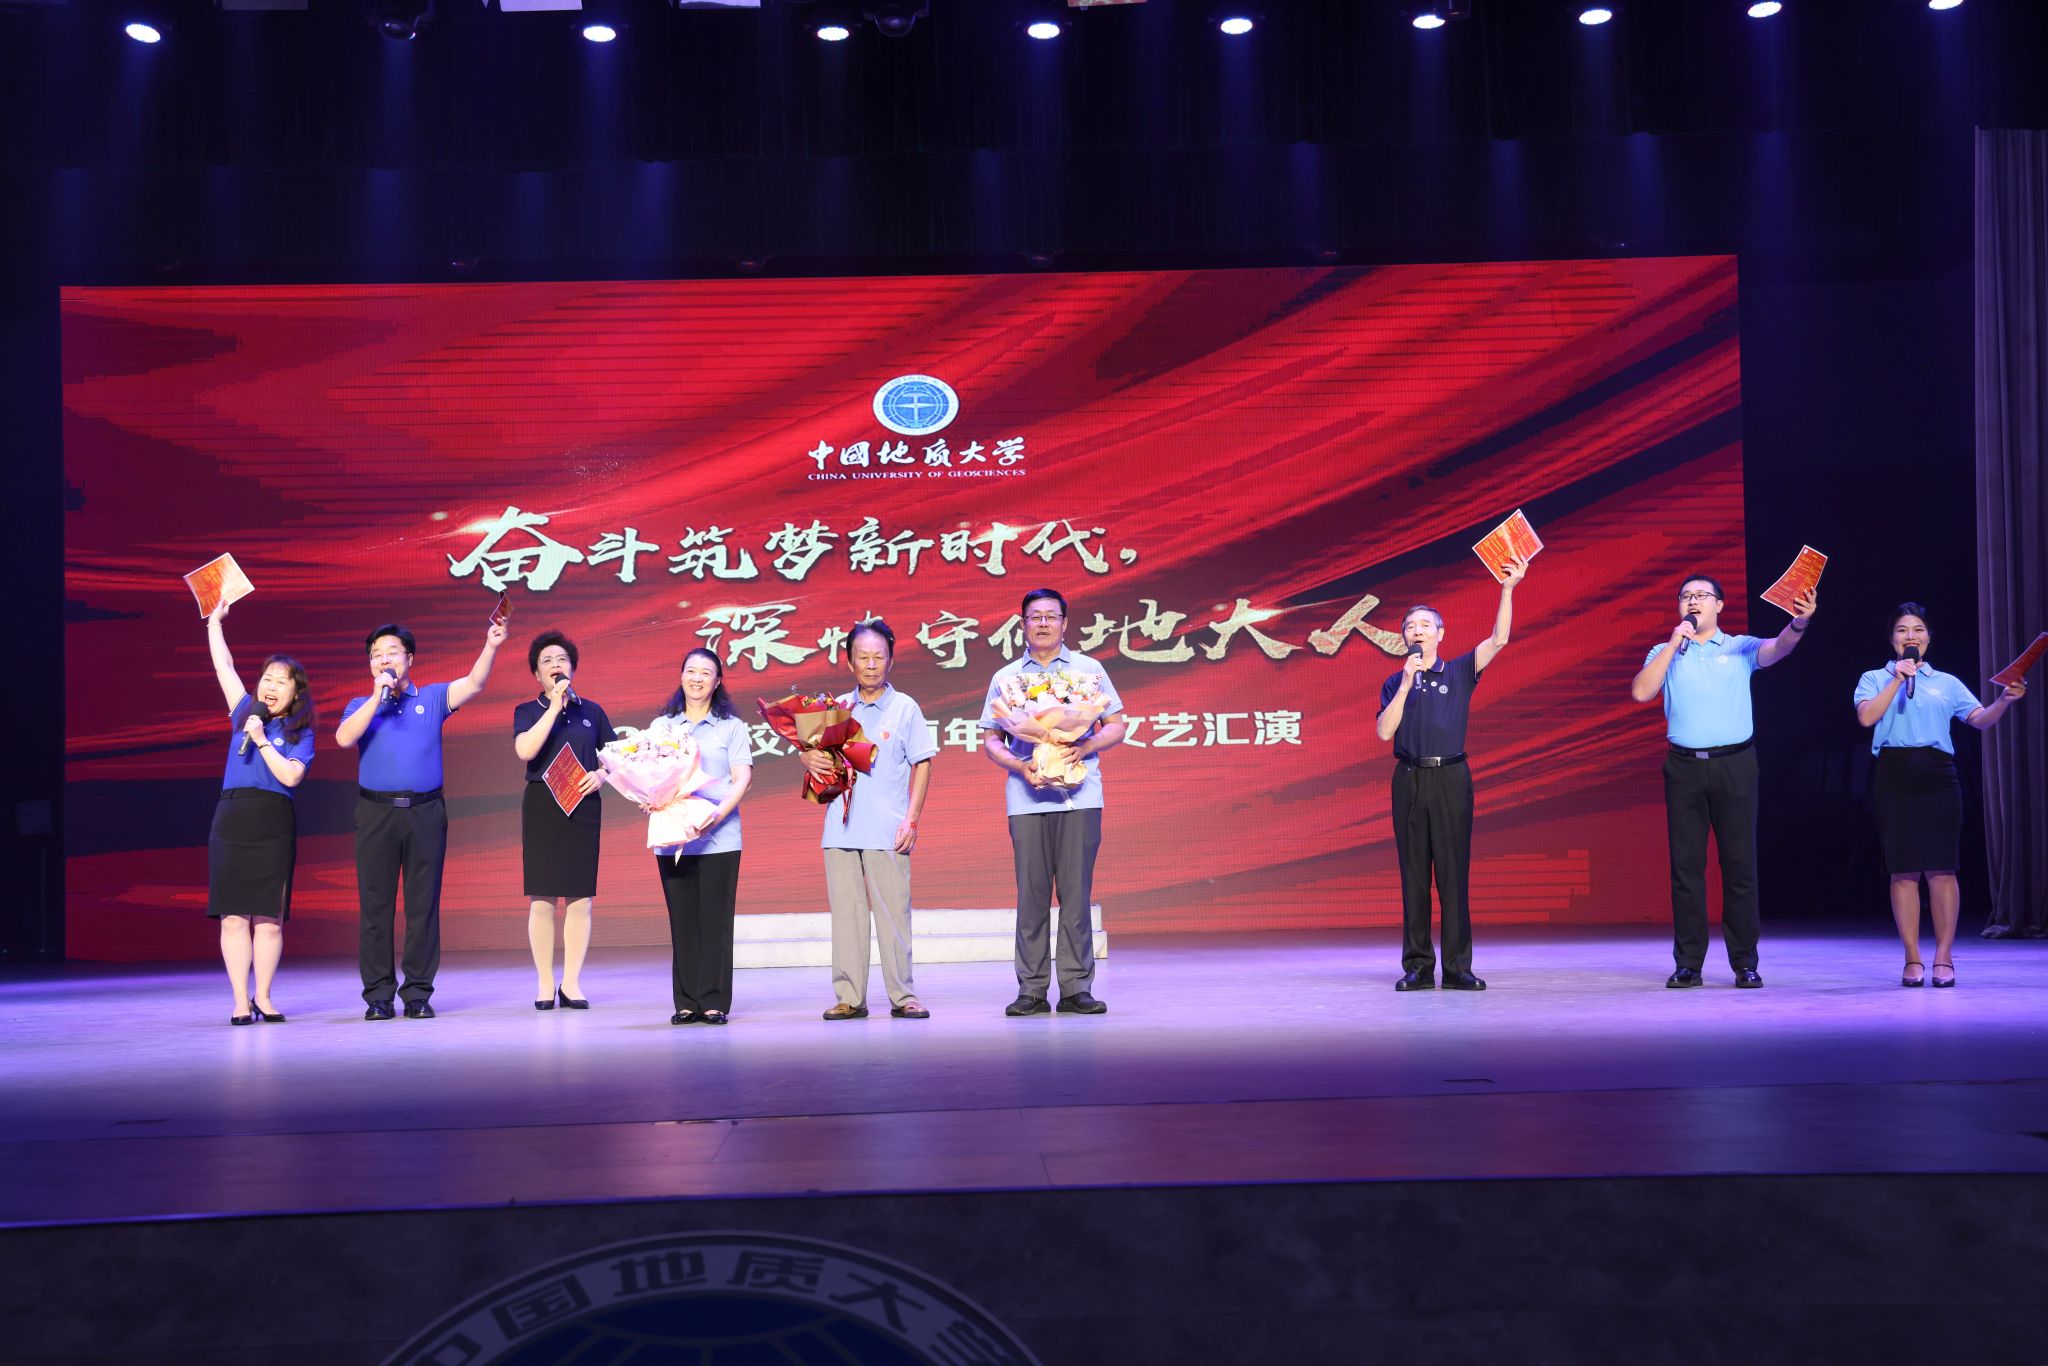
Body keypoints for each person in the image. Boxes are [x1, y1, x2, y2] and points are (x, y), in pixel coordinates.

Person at [1630, 574, 1817, 988]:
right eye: (1686, 596)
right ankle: (1688, 964)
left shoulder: (1739, 647)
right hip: (1684, 767)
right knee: (1686, 869)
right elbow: (1642, 692)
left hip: (1736, 765)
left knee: (1739, 866)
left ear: (1719, 605)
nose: (1693, 601)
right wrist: (1673, 645)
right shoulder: (1664, 650)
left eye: (1702, 595)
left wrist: (1799, 623)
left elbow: (1778, 648)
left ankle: (1744, 962)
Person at [336, 619, 506, 1020]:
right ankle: (378, 996)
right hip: (375, 813)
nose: (384, 660)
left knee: (422, 906)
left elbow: (475, 683)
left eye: (392, 652)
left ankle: (417, 993)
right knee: (375, 907)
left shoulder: (431, 698)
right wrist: (376, 698)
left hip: (425, 812)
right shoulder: (360, 704)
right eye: (376, 655)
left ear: (409, 658)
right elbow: (344, 738)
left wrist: (491, 645)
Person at [1372, 557, 1529, 992]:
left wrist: (1508, 589)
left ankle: (1458, 967)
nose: (1417, 631)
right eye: (1410, 626)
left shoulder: (1458, 671)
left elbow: (1499, 639)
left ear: (1440, 634)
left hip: (1451, 779)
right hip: (1409, 779)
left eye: (1426, 625)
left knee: (1453, 876)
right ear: (1403, 638)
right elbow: (1384, 730)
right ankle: (1418, 967)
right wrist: (1406, 683)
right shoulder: (1394, 682)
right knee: (1414, 877)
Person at [1853, 602, 2026, 987]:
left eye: (1918, 629)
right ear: (1892, 639)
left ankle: (1944, 957)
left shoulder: (1946, 683)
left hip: (1938, 778)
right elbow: (1867, 717)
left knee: (1942, 869)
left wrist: (2004, 701)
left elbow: (1979, 719)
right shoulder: (1874, 678)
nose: (1910, 636)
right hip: (1893, 776)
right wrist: (1897, 679)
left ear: (1929, 638)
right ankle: (1912, 957)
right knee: (1903, 870)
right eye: (1902, 630)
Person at [979, 588, 1128, 1017]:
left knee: (1076, 895)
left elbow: (1116, 724)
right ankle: (1031, 990)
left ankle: (1077, 988)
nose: (1043, 623)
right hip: (1027, 798)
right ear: (1022, 624)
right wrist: (1019, 765)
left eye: (1051, 616)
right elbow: (991, 739)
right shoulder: (1007, 678)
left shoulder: (1089, 670)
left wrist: (1085, 746)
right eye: (1035, 616)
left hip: (1080, 797)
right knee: (1032, 896)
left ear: (1065, 623)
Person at [797, 619, 937, 1021]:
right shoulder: (836, 709)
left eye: (879, 656)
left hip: (888, 830)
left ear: (891, 660)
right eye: (863, 657)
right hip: (840, 829)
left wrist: (911, 820)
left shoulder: (905, 707)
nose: (871, 664)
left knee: (894, 916)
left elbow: (922, 764)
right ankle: (849, 997)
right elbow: (813, 755)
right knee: (847, 917)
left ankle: (903, 996)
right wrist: (807, 757)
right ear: (849, 662)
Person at [203, 600, 314, 1025]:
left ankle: (264, 997)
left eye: (280, 681)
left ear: (295, 693)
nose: (270, 685)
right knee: (233, 917)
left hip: (274, 821)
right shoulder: (244, 712)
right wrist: (214, 623)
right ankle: (239, 1000)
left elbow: (291, 777)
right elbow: (224, 666)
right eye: (267, 678)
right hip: (232, 818)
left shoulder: (300, 733)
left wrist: (263, 740)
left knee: (269, 919)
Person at [648, 648, 753, 1026]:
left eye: (706, 673)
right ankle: (686, 1002)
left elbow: (742, 778)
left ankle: (713, 1001)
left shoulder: (731, 727)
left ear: (718, 681)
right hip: (673, 837)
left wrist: (715, 816)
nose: (697, 678)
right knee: (682, 921)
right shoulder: (662, 727)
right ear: (681, 677)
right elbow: (647, 773)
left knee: (715, 922)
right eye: (691, 671)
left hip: (719, 837)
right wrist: (648, 797)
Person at [511, 630, 614, 1010]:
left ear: (573, 667)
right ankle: (544, 982)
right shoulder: (527, 710)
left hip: (583, 805)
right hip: (543, 804)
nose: (555, 665)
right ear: (536, 674)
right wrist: (554, 707)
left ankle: (571, 984)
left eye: (561, 659)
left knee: (580, 899)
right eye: (547, 661)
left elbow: (617, 758)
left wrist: (601, 775)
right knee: (542, 899)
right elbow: (526, 750)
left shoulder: (593, 711)